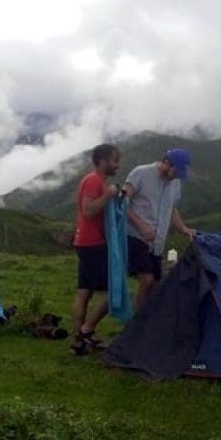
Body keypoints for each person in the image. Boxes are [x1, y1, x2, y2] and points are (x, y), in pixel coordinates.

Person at [123, 148, 196, 311]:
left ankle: (150, 317)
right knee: (146, 279)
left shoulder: (175, 183)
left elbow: (172, 208)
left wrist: (183, 229)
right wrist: (141, 225)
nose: (176, 176)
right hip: (135, 235)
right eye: (175, 171)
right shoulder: (141, 173)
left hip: (157, 241)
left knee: (156, 283)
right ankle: (139, 323)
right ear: (167, 163)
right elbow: (122, 203)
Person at [70, 143, 121, 354]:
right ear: (102, 161)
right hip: (93, 243)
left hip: (86, 242)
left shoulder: (99, 181)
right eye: (115, 160)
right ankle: (85, 331)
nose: (118, 165)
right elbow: (88, 209)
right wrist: (108, 195)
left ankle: (78, 342)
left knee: (84, 292)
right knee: (114, 292)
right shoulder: (93, 180)